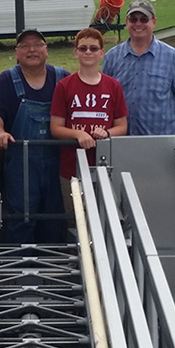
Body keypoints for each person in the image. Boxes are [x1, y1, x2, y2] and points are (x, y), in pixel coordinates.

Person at [0, 29, 69, 244]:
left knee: (54, 219)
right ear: (16, 52)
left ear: (46, 50)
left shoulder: (63, 78)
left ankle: (53, 262)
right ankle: (21, 263)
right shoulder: (7, 79)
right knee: (21, 218)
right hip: (20, 164)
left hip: (57, 163)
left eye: (37, 44)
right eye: (25, 46)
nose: (32, 49)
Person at [50, 27, 128, 215]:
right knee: (76, 217)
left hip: (105, 166)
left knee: (104, 216)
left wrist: (106, 133)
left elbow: (122, 126)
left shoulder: (113, 86)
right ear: (75, 52)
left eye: (93, 48)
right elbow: (56, 127)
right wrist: (78, 134)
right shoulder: (64, 86)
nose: (88, 52)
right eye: (83, 48)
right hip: (71, 167)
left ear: (101, 53)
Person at [102, 0, 175, 136]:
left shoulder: (173, 57)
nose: (138, 24)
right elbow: (103, 101)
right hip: (121, 141)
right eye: (133, 19)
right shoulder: (112, 57)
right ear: (127, 22)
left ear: (154, 22)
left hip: (162, 142)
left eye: (144, 19)